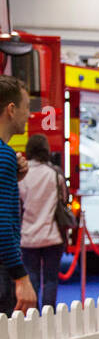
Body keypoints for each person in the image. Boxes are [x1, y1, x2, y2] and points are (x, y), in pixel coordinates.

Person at [0, 75, 37, 316]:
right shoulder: (4, 156)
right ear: (11, 110)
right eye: (26, 108)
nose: (29, 115)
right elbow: (2, 223)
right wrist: (21, 276)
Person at [19, 133, 65, 312]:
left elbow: (19, 202)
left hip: (28, 236)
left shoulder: (22, 174)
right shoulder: (54, 174)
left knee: (32, 279)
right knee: (51, 279)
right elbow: (63, 198)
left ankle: (33, 317)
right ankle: (49, 317)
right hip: (51, 235)